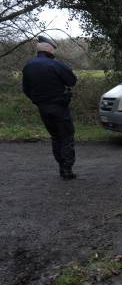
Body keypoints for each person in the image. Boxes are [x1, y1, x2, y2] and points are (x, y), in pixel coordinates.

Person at [22, 36, 78, 179]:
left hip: (43, 108)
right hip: (59, 107)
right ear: (48, 48)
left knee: (55, 137)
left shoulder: (28, 66)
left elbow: (26, 89)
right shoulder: (56, 65)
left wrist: (37, 101)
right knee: (66, 136)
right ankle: (67, 169)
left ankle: (61, 167)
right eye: (52, 48)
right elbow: (72, 81)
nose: (54, 51)